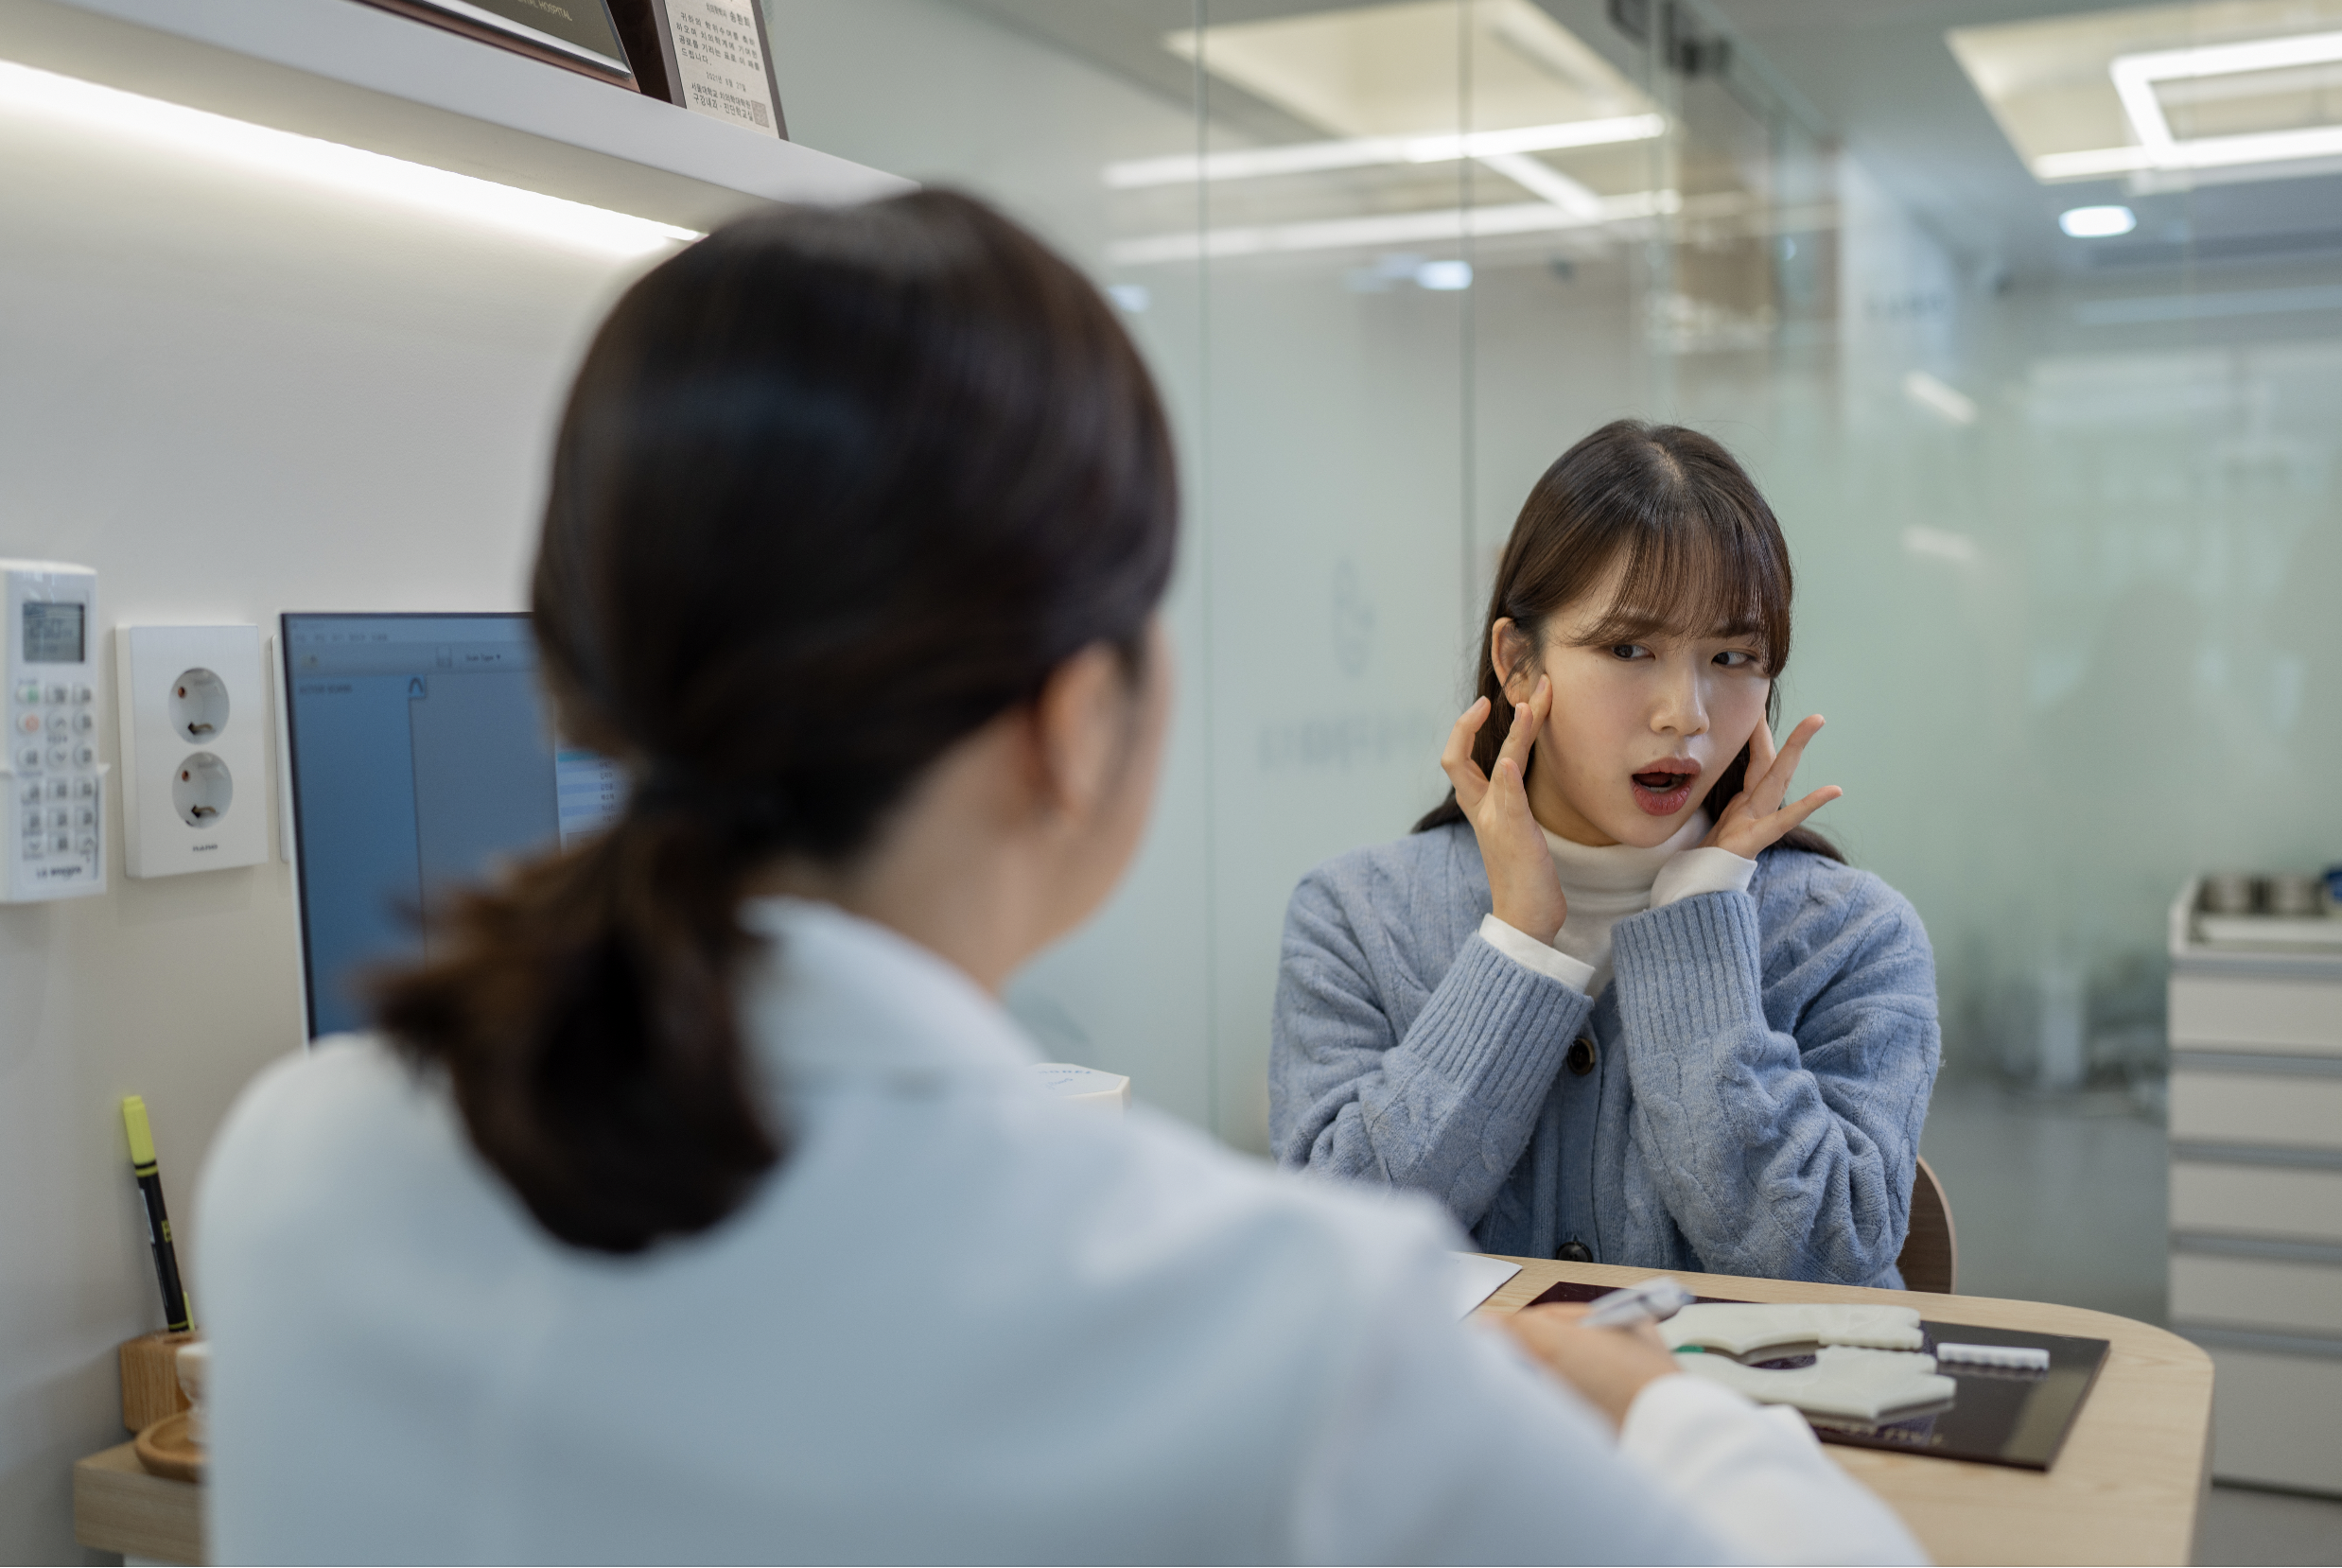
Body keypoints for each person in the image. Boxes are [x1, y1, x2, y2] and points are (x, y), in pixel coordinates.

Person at [196, 194, 1921, 1564]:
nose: (1685, 705)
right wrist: (1662, 1407)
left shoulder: (293, 1170)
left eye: (1732, 656)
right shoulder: (1273, 1334)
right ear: (1075, 720)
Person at [1270, 423, 1940, 1287]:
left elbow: (1828, 1256)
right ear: (1517, 663)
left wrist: (1703, 923)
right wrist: (1518, 945)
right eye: (1631, 649)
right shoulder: (1354, 917)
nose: (1685, 714)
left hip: (1740, 1425)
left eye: (1732, 657)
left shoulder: (1855, 937)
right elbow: (1329, 1254)